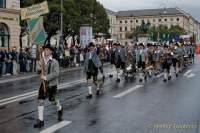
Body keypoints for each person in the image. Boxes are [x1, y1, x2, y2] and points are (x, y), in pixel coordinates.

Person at [34, 45, 63, 128]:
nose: (45, 51)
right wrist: (39, 66)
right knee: (40, 100)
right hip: (43, 84)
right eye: (44, 50)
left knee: (53, 100)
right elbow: (37, 71)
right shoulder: (42, 60)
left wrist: (46, 77)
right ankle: (40, 120)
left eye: (47, 50)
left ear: (51, 51)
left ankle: (59, 108)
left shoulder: (55, 62)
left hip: (52, 84)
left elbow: (56, 73)